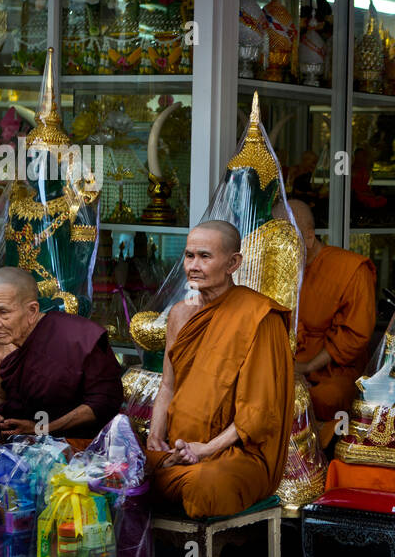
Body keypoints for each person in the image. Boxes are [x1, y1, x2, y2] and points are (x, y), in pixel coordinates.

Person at [147, 221, 294, 518]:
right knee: (125, 468)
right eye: (189, 256)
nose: (194, 266)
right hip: (178, 447)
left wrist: (206, 449)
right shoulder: (180, 314)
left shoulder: (259, 316)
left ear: (233, 263)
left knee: (204, 484)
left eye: (205, 256)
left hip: (236, 454)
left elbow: (258, 412)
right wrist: (155, 438)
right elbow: (168, 386)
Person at [0, 266, 123, 440]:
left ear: (32, 310)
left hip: (72, 447)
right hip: (14, 443)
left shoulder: (78, 338)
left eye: (3, 312)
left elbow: (103, 403)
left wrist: (41, 429)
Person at [288, 199, 376, 441]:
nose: (281, 249)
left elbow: (353, 336)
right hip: (289, 364)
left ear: (308, 236)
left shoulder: (350, 269)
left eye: (288, 240)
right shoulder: (280, 271)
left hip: (333, 369)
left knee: (326, 397)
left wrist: (306, 368)